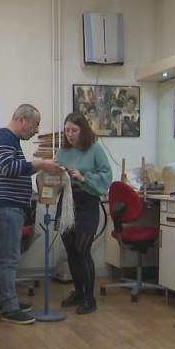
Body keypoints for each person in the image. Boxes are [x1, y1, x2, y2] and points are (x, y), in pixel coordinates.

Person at [0, 104, 61, 324]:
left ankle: (8, 300)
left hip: (8, 208)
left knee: (6, 259)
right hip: (7, 208)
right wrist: (40, 164)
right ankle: (9, 308)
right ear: (22, 119)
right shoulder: (5, 139)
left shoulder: (9, 140)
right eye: (35, 124)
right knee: (9, 260)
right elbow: (9, 168)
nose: (36, 130)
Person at [56, 113, 113, 314]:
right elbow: (55, 175)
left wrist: (83, 176)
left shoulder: (95, 149)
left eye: (74, 130)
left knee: (82, 250)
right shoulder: (62, 151)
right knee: (70, 250)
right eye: (67, 130)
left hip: (87, 202)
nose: (70, 134)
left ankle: (90, 298)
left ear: (83, 130)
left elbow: (106, 175)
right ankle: (78, 292)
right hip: (67, 203)